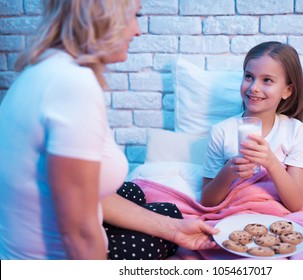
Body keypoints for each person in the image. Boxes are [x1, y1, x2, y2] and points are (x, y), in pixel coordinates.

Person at [0, 0, 217, 260]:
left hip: (28, 240)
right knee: (166, 214)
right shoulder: (72, 85)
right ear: (104, 15)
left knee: (157, 207)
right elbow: (79, 233)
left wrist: (175, 230)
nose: (137, 30)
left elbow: (84, 194)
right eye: (133, 16)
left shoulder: (44, 69)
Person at [200, 41, 303, 211]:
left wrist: (271, 163)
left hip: (276, 216)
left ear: (287, 91)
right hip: (234, 214)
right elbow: (207, 201)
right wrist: (229, 170)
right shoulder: (221, 131)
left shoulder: (295, 131)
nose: (254, 87)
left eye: (267, 80)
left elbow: (295, 204)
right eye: (248, 76)